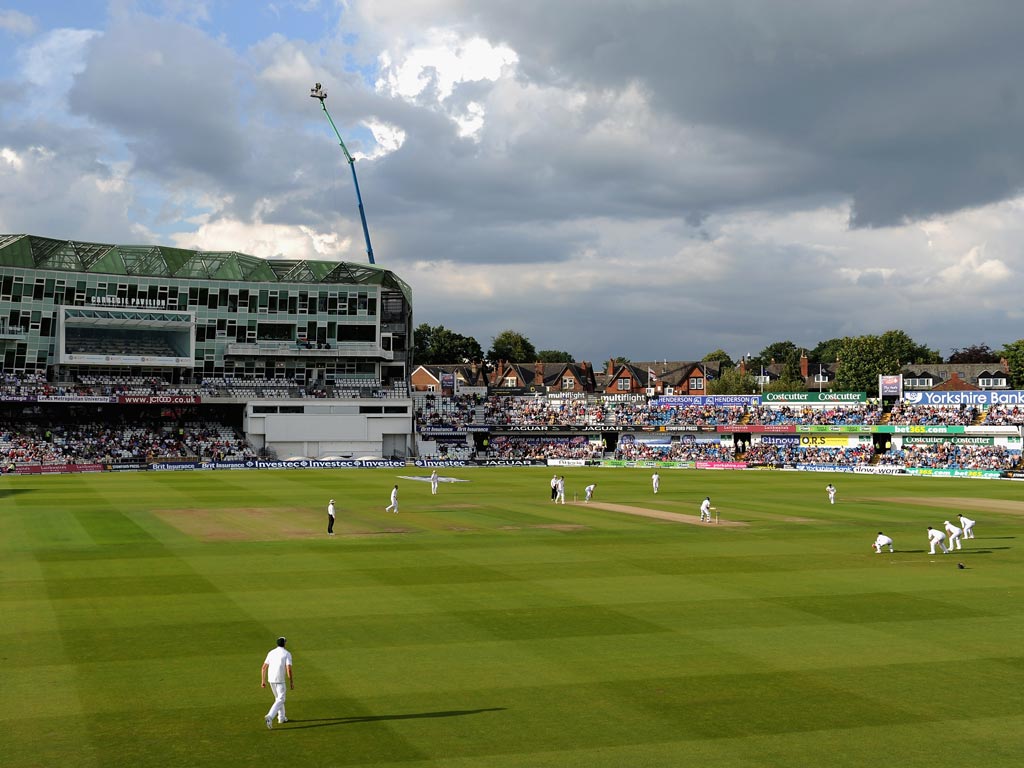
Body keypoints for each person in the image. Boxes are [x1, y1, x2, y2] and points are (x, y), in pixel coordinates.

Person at [261, 636, 293, 729]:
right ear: (285, 644)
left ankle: (281, 718)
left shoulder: (271, 652)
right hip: (280, 680)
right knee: (281, 699)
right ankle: (270, 716)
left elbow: (263, 667)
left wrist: (263, 681)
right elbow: (289, 669)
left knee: (278, 698)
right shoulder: (287, 653)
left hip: (271, 679)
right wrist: (291, 681)